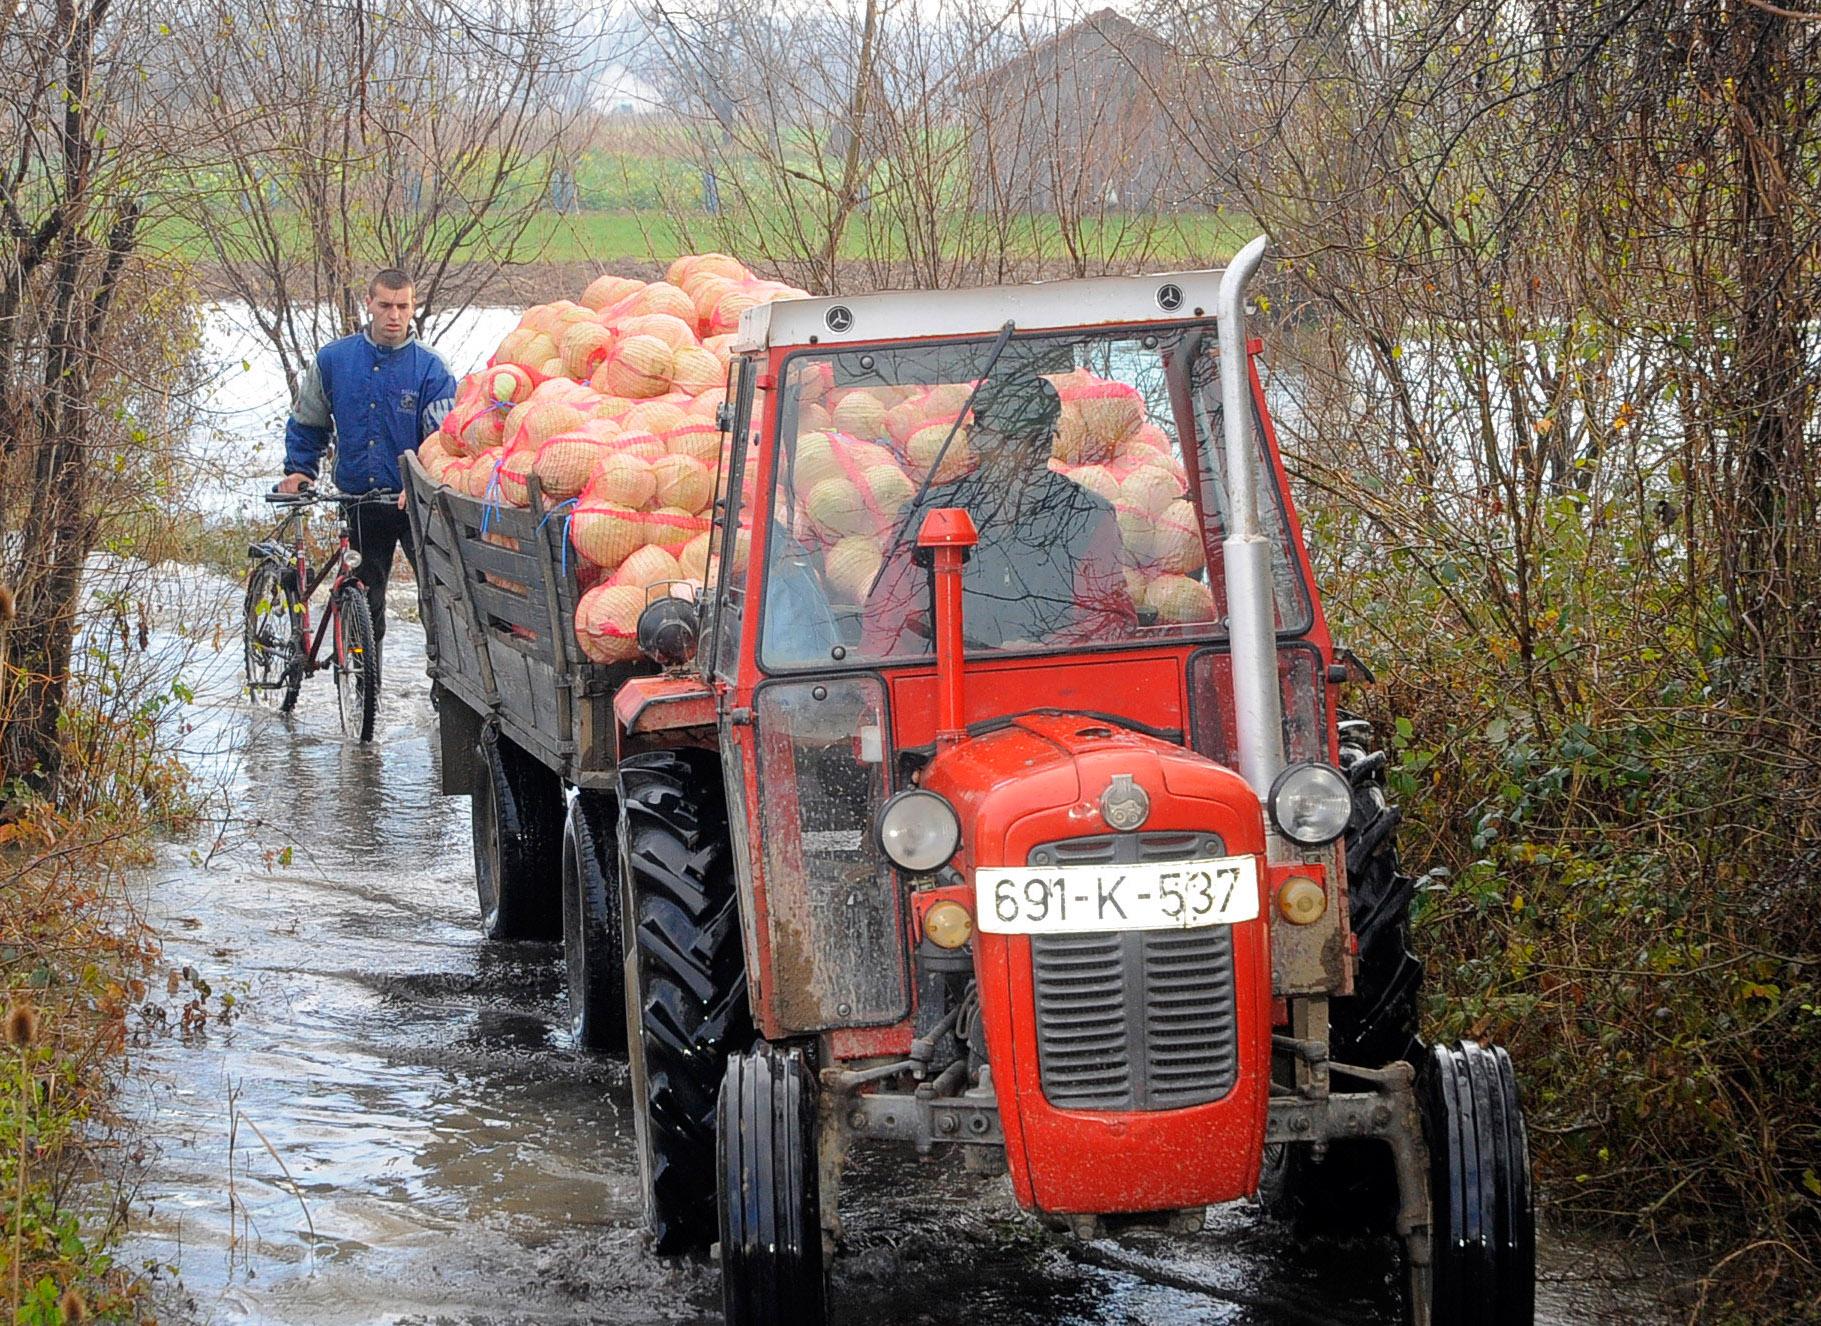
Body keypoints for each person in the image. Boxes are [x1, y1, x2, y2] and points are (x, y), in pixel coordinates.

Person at [862, 372, 1135, 655]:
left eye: (1037, 439)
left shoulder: (1090, 516)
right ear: (974, 438)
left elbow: (1108, 619)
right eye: (1009, 439)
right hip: (942, 683)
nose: (1024, 453)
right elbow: (887, 625)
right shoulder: (922, 517)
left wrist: (1043, 650)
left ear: (1053, 442)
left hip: (1061, 683)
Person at [276, 269, 457, 664]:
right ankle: (363, 686)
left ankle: (443, 692)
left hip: (414, 504)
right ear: (369, 305)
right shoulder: (334, 360)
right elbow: (309, 421)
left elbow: (442, 441)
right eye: (385, 305)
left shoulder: (431, 369)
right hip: (358, 499)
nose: (394, 315)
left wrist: (423, 482)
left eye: (403, 306)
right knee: (365, 596)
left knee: (439, 598)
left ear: (413, 308)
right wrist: (301, 470)